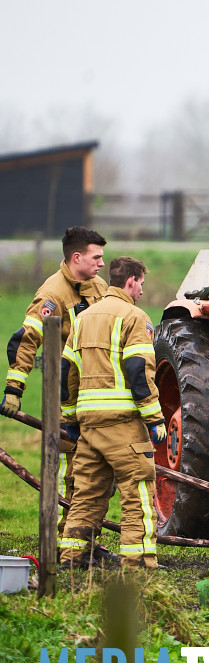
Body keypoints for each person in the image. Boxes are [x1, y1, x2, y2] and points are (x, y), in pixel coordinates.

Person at [3, 226, 110, 539]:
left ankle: (84, 535)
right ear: (76, 257)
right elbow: (25, 341)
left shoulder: (99, 286)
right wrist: (14, 389)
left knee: (98, 469)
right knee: (74, 469)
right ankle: (68, 540)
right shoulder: (52, 293)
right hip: (66, 398)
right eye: (96, 257)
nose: (102, 263)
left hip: (99, 393)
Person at [59, 257, 165, 570]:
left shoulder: (82, 319)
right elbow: (138, 370)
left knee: (86, 496)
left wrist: (70, 418)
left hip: (89, 425)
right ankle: (139, 564)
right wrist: (155, 417)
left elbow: (67, 372)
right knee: (139, 494)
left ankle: (69, 559)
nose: (142, 292)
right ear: (131, 281)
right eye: (141, 284)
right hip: (123, 424)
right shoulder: (134, 317)